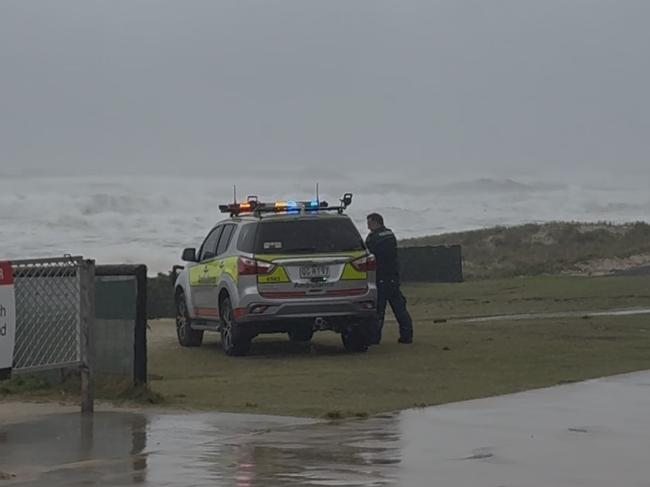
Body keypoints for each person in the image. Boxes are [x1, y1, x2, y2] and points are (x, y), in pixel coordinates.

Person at [365, 213, 413, 344]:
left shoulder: (373, 238)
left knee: (379, 311)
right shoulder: (390, 235)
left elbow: (368, 253)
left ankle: (375, 338)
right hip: (392, 276)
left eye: (369, 223)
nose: (368, 226)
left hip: (380, 276)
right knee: (399, 308)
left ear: (376, 222)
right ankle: (407, 335)